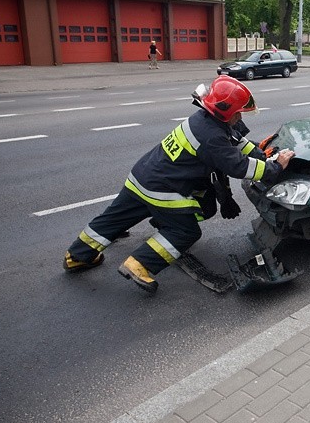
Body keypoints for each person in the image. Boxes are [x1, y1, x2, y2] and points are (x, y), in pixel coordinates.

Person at [63, 75, 296, 293]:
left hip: (142, 176)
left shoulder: (204, 120)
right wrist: (276, 166)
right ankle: (140, 264)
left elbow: (236, 143)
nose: (240, 117)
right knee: (185, 231)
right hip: (163, 189)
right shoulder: (212, 137)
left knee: (115, 218)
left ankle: (77, 256)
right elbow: (240, 168)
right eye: (239, 113)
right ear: (225, 112)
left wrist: (261, 152)